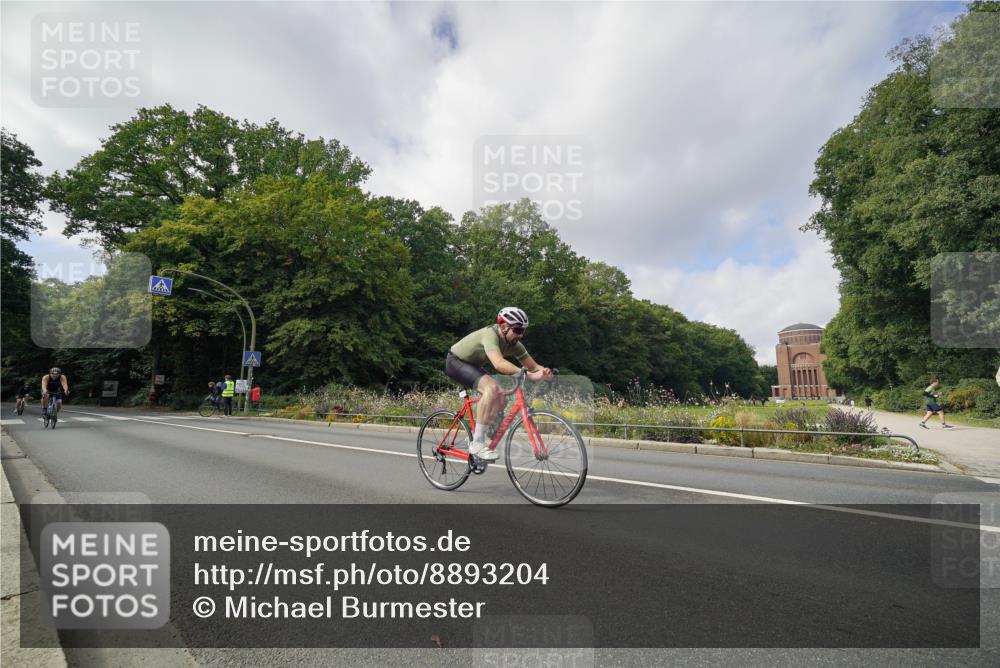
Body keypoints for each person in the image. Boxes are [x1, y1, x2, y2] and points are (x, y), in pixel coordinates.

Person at [445, 307, 553, 461]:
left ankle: (488, 428)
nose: (520, 335)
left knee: (502, 397)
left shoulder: (515, 344)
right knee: (491, 388)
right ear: (504, 327)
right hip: (456, 362)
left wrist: (545, 372)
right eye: (517, 330)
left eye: (523, 331)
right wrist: (527, 374)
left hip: (473, 365)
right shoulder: (490, 334)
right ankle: (477, 443)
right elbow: (499, 364)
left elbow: (534, 366)